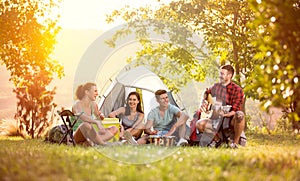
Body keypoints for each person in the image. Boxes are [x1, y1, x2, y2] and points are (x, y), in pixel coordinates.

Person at [196, 64, 246, 148]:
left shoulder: (237, 90)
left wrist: (226, 114)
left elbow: (235, 110)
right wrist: (203, 102)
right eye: (220, 73)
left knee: (240, 114)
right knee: (199, 124)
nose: (220, 76)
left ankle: (235, 143)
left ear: (229, 75)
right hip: (216, 118)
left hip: (230, 120)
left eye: (222, 74)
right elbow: (206, 92)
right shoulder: (217, 86)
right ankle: (217, 140)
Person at [72, 82, 119, 146]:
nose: (97, 94)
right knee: (86, 125)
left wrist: (101, 116)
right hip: (78, 135)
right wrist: (96, 122)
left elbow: (98, 116)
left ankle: (91, 143)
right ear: (87, 92)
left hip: (92, 134)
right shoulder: (77, 104)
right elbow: (82, 116)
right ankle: (102, 144)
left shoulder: (93, 105)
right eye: (95, 91)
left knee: (114, 128)